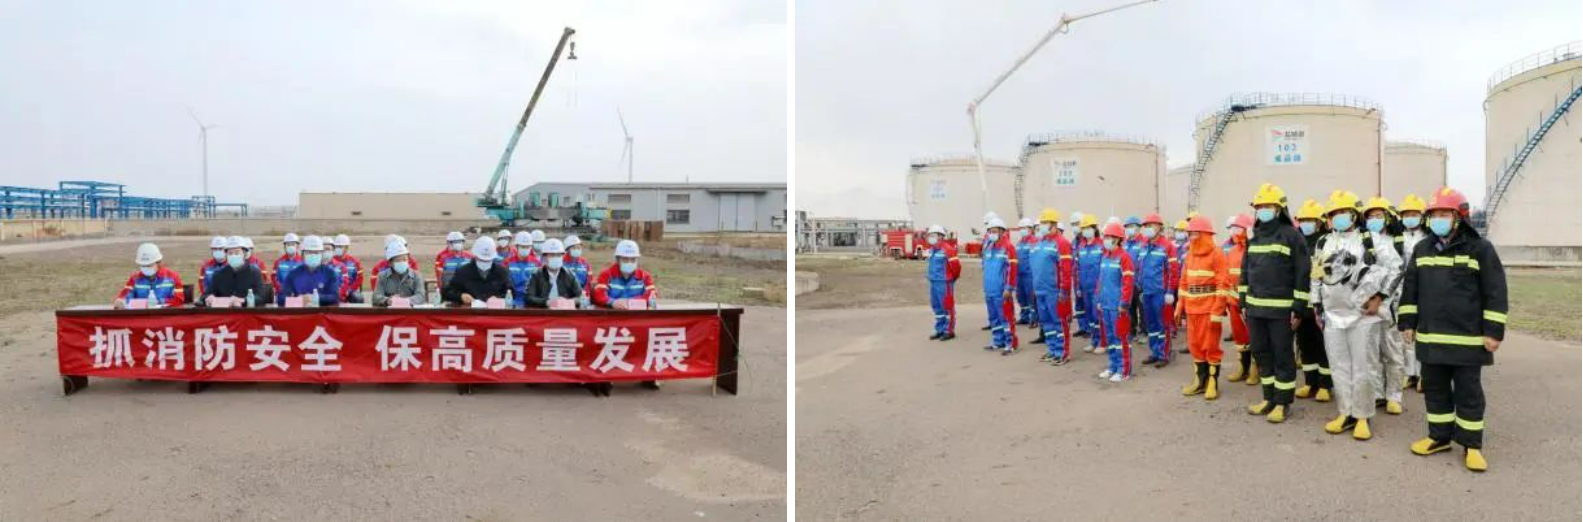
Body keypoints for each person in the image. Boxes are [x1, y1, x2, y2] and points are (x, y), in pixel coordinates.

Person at [1399, 187, 1505, 472]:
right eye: (1434, 214)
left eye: (1444, 214)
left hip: (1468, 339)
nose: (1438, 219)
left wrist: (1493, 331)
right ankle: (1439, 437)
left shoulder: (1480, 248)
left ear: (1459, 217)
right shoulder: (1422, 249)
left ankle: (1472, 446)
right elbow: (1411, 288)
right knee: (1435, 390)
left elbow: (1495, 292)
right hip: (1431, 337)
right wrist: (1407, 322)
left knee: (1468, 394)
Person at [1314, 191, 1402, 440]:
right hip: (1333, 315)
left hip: (1363, 316)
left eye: (1343, 212)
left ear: (1354, 214)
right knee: (1339, 367)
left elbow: (1397, 269)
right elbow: (1316, 276)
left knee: (1363, 368)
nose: (1338, 217)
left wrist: (1380, 297)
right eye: (1334, 213)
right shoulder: (1324, 242)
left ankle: (1363, 416)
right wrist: (1316, 305)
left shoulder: (1372, 240)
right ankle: (1346, 413)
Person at [1240, 183, 1312, 424]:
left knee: (1282, 355)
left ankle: (1283, 402)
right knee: (1262, 354)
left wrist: (1299, 308)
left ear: (1279, 209)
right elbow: (1245, 270)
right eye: (1259, 206)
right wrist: (1243, 301)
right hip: (1255, 308)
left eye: (1268, 206)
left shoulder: (1292, 236)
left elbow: (1302, 273)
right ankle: (1268, 398)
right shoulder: (1254, 236)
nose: (1263, 210)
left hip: (1281, 311)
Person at [1363, 195, 1409, 416]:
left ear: (1388, 218)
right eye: (1370, 216)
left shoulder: (1397, 241)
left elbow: (1399, 271)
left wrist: (1383, 298)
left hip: (1390, 304)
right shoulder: (1362, 241)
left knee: (1392, 352)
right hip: (1367, 305)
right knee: (1370, 353)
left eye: (1378, 215)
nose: (1374, 219)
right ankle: (1377, 393)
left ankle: (1394, 396)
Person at [1177, 216, 1232, 399]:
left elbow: (1223, 284)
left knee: (1211, 346)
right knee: (1195, 346)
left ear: (1205, 234)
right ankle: (1199, 381)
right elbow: (1184, 282)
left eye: (1195, 233)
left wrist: (1217, 311)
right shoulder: (1189, 255)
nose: (1192, 237)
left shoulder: (1217, 253)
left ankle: (1212, 382)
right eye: (1190, 234)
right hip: (1192, 310)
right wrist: (1179, 306)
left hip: (1209, 309)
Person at [1293, 199, 1334, 403]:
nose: (1306, 224)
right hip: (1302, 303)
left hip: (1320, 304)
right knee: (1305, 344)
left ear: (1319, 222)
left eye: (1310, 220)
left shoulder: (1325, 242)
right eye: (1303, 220)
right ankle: (1310, 382)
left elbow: (1323, 275)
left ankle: (1325, 385)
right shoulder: (1297, 242)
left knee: (1323, 345)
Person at [1029, 209, 1075, 364]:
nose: (1041, 226)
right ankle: (1052, 349)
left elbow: (1066, 269)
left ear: (1053, 225)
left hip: (1054, 291)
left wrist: (1064, 290)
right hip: (1040, 290)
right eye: (1041, 223)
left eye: (1045, 223)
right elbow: (1035, 267)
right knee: (1046, 322)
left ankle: (1063, 352)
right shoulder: (1039, 243)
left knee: (1059, 322)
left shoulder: (1062, 243)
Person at [1396, 193, 1430, 392]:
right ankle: (1410, 373)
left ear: (1422, 216)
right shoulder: (1397, 237)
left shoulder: (1428, 237)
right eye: (1407, 214)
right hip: (1403, 289)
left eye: (1414, 214)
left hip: (1424, 288)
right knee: (1406, 333)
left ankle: (1424, 374)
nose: (1410, 217)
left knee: (1423, 332)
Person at [1136, 213, 1179, 368]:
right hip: (1147, 292)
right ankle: (1155, 352)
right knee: (1151, 325)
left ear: (1159, 227)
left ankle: (1164, 354)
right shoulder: (1143, 246)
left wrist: (1170, 291)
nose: (1148, 228)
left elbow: (1173, 271)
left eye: (1151, 225)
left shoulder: (1167, 246)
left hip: (1160, 293)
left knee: (1163, 324)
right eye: (1146, 226)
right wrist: (1140, 287)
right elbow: (1140, 269)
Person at [1095, 223, 1136, 382]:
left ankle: (1124, 370)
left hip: (1118, 306)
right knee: (1110, 338)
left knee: (1121, 338)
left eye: (1109, 237)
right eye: (1105, 236)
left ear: (1118, 239)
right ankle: (1113, 366)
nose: (1106, 239)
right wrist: (1099, 299)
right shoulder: (1105, 256)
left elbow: (1128, 283)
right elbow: (1101, 280)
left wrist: (1124, 303)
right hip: (1106, 304)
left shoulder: (1124, 257)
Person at [1224, 213, 1257, 385]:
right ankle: (1243, 367)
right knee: (1240, 336)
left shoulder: (1255, 249)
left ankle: (1256, 368)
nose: (1235, 232)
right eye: (1234, 228)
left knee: (1255, 336)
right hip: (1234, 301)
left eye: (1239, 228)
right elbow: (1226, 277)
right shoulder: (1231, 252)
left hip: (1251, 301)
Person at [980, 218, 1019, 354]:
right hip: (989, 289)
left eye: (994, 231)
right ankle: (998, 341)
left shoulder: (1008, 247)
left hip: (1001, 290)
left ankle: (1010, 343)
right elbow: (985, 267)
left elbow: (1012, 269)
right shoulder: (988, 247)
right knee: (994, 317)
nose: (992, 234)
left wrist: (1009, 287)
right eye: (990, 231)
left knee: (1006, 317)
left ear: (1002, 232)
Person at [199, 236, 268, 307]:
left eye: (237, 253)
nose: (233, 256)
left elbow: (261, 297)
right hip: (224, 312)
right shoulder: (219, 274)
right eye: (230, 253)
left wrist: (243, 300)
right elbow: (204, 296)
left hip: (247, 312)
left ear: (244, 254)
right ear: (226, 255)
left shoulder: (254, 272)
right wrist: (208, 298)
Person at [442, 236, 511, 306]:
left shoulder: (502, 272)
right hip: (469, 311)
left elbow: (510, 292)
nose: (485, 262)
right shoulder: (462, 272)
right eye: (481, 259)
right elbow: (447, 292)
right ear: (475, 256)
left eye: (488, 260)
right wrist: (461, 296)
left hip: (494, 311)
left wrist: (498, 298)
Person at [114, 243, 186, 308]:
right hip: (141, 316)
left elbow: (179, 300)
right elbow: (125, 298)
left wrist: (158, 302)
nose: (145, 268)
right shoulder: (134, 278)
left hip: (165, 315)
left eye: (148, 265)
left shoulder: (172, 277)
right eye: (142, 265)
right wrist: (121, 301)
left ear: (158, 263)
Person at [591, 240, 657, 309]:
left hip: (636, 314)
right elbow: (599, 295)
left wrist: (631, 302)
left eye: (633, 259)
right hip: (612, 313)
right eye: (625, 259)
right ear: (617, 260)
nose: (629, 262)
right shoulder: (606, 275)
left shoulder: (644, 276)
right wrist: (612, 302)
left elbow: (652, 295)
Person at [277, 235, 341, 306]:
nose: (313, 255)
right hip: (300, 312)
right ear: (302, 255)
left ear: (321, 254)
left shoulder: (330, 273)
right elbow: (280, 299)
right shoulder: (294, 274)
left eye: (316, 252)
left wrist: (314, 298)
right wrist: (298, 301)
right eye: (309, 252)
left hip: (322, 312)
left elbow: (335, 298)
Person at [922, 225, 960, 341]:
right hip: (933, 282)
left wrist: (951, 279)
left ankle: (949, 331)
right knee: (937, 307)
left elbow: (956, 267)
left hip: (944, 283)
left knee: (947, 307)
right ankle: (940, 329)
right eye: (930, 235)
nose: (930, 237)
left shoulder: (948, 249)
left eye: (933, 235)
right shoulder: (932, 250)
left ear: (940, 236)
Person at [523, 238, 584, 308]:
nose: (556, 258)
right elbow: (529, 298)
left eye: (559, 255)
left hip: (564, 312)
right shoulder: (536, 275)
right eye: (552, 255)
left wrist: (567, 302)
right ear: (545, 257)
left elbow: (581, 297)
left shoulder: (569, 275)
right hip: (542, 312)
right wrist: (546, 302)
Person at [1074, 214, 1105, 350]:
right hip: (1085, 287)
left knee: (1098, 315)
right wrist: (1078, 286)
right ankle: (1094, 341)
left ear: (1094, 229)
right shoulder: (1081, 246)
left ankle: (1102, 342)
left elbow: (1105, 269)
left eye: (1089, 228)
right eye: (1084, 228)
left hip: (1098, 287)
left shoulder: (1102, 245)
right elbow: (1077, 268)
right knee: (1090, 316)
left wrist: (1102, 287)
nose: (1086, 231)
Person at [371, 239, 427, 307]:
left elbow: (421, 296)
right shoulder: (382, 276)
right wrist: (388, 300)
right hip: (390, 311)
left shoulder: (416, 275)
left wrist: (404, 301)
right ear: (390, 263)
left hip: (411, 311)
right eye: (398, 260)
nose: (402, 262)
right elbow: (376, 297)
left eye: (404, 259)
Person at [505, 230, 543, 307]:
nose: (525, 249)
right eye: (523, 247)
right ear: (517, 247)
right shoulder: (507, 262)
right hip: (513, 299)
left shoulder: (537, 263)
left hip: (532, 299)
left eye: (528, 247)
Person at [1014, 217, 1038, 327]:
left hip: (1029, 274)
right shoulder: (1019, 243)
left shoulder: (1034, 241)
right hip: (1019, 274)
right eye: (1021, 228)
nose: (1022, 230)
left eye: (1025, 228)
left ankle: (1034, 318)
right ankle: (1024, 316)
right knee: (1021, 296)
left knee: (1031, 297)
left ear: (1031, 229)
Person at [331, 234, 365, 303]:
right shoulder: (331, 261)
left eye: (340, 247)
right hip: (335, 291)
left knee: (357, 298)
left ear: (346, 248)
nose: (337, 248)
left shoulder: (355, 262)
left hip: (350, 292)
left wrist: (349, 290)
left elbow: (359, 278)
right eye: (336, 246)